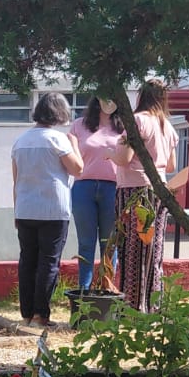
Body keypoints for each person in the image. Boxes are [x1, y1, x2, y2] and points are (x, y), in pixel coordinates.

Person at [11, 92, 83, 330]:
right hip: (53, 208)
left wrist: (15, 211)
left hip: (25, 207)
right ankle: (41, 314)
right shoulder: (58, 139)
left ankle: (27, 313)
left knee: (27, 261)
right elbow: (78, 169)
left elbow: (16, 179)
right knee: (48, 263)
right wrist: (75, 145)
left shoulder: (20, 141)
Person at [110, 78, 179, 312]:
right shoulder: (167, 126)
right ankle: (152, 304)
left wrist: (110, 153)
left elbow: (124, 158)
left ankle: (131, 305)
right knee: (154, 248)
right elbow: (171, 166)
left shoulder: (137, 121)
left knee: (131, 248)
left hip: (133, 191)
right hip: (159, 191)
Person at [68, 95, 123, 293]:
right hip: (84, 187)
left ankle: (107, 287)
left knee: (109, 244)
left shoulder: (124, 127)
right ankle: (84, 290)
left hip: (113, 188)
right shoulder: (78, 125)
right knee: (86, 243)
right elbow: (71, 154)